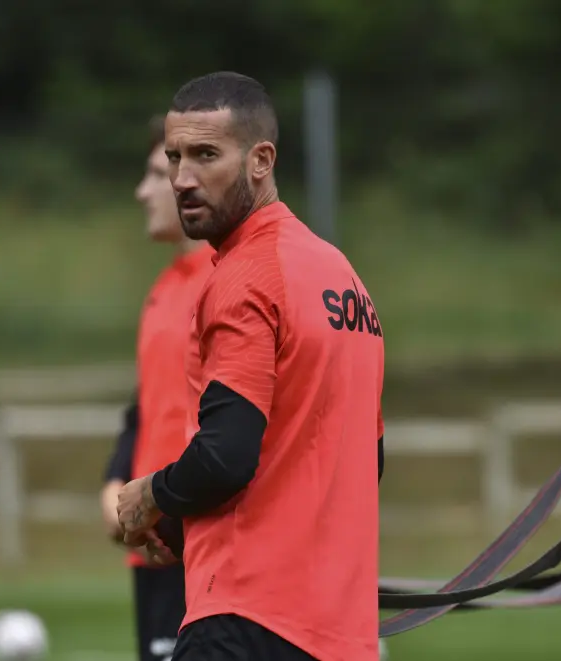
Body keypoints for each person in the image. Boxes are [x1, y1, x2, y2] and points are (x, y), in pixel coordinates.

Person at [115, 71, 386, 661]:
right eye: (174, 158)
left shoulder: (243, 277)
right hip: (340, 633)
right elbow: (366, 460)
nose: (184, 179)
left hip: (243, 621)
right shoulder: (342, 276)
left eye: (205, 156)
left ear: (261, 160)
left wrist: (151, 497)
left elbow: (225, 457)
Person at [100, 115, 215, 661]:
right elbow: (147, 406)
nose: (142, 192)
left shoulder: (229, 284)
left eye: (153, 176)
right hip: (151, 546)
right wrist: (115, 482)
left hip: (201, 548)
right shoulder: (164, 289)